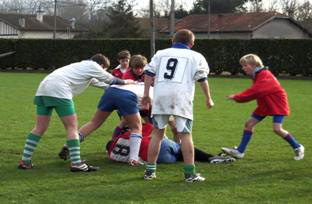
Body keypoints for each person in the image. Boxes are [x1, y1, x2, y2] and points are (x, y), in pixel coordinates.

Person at [18, 54, 133, 172]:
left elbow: (102, 84)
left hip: (43, 88)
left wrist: (118, 86)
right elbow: (110, 79)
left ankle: (25, 161)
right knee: (72, 127)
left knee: (40, 127)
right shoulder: (93, 66)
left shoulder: (81, 66)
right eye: (104, 69)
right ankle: (76, 163)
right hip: (59, 90)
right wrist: (127, 82)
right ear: (102, 66)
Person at [141, 29, 214, 182]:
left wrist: (147, 94)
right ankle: (189, 174)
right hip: (181, 99)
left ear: (173, 41)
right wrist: (208, 98)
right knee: (186, 135)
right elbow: (202, 78)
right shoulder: (196, 56)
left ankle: (150, 172)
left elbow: (148, 72)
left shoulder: (161, 53)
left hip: (160, 97)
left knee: (157, 135)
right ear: (191, 43)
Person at [221, 54, 304, 160]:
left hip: (277, 103)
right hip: (265, 103)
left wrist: (237, 97)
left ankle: (298, 147)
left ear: (254, 65)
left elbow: (256, 91)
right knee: (249, 124)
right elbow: (257, 91)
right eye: (242, 66)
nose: (243, 68)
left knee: (277, 129)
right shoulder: (258, 74)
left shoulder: (264, 74)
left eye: (245, 65)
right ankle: (240, 152)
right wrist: (239, 97)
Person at [59, 82, 153, 166]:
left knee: (94, 122)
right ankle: (133, 159)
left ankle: (68, 145)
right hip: (127, 95)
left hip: (111, 91)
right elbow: (155, 116)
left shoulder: (143, 85)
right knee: (136, 127)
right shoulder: (155, 92)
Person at [106, 123, 235, 164]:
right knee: (179, 148)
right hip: (158, 150)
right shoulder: (129, 133)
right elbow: (155, 130)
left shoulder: (111, 154)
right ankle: (209, 157)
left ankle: (210, 159)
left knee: (178, 155)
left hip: (160, 160)